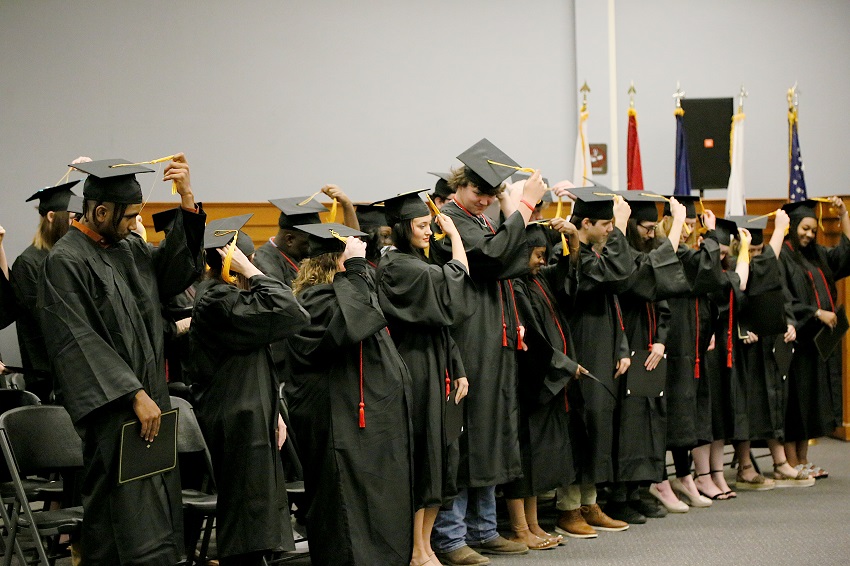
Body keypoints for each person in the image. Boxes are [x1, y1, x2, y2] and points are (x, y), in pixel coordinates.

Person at [39, 155, 206, 565]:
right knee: (121, 518)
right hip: (115, 411)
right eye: (130, 216)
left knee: (158, 514)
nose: (136, 225)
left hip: (152, 402)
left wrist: (187, 200)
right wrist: (132, 394)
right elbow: (77, 341)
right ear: (100, 211)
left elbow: (173, 273)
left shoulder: (128, 248)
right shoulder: (66, 261)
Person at [429, 139, 546, 564]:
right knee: (464, 435)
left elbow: (511, 262)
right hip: (466, 343)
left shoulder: (480, 221)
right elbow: (494, 259)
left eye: (489, 195)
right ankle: (452, 536)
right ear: (460, 186)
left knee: (490, 433)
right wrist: (525, 208)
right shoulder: (450, 223)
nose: (482, 200)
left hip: (491, 341)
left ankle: (484, 527)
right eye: (477, 192)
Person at [285, 223, 414, 565]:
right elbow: (354, 324)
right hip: (339, 428)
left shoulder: (345, 293)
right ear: (334, 263)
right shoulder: (314, 300)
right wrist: (356, 270)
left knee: (379, 509)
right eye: (352, 259)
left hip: (368, 428)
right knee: (348, 515)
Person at [188, 215, 310, 565]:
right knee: (247, 516)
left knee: (258, 514)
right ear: (232, 263)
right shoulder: (219, 301)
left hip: (252, 410)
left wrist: (274, 411)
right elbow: (293, 313)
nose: (254, 263)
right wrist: (255, 274)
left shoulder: (228, 297)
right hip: (235, 417)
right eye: (248, 259)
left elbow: (258, 358)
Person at [376, 190, 476, 566]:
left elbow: (441, 325)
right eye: (420, 225)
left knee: (442, 454)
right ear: (402, 228)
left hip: (436, 365)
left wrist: (458, 368)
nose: (427, 232)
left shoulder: (416, 263)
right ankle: (417, 548)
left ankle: (426, 545)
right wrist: (455, 239)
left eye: (428, 225)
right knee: (424, 454)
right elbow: (452, 293)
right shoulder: (399, 267)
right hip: (413, 368)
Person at [555, 188, 634, 538]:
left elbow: (614, 299)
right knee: (578, 427)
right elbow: (618, 275)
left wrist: (621, 345)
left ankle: (589, 501)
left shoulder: (593, 253)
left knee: (598, 427)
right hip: (580, 348)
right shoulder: (572, 254)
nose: (609, 230)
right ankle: (568, 507)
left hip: (603, 349)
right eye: (606, 224)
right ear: (585, 222)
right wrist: (625, 228)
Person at [606, 194, 689, 524]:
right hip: (627, 347)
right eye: (646, 226)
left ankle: (641, 489)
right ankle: (619, 496)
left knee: (649, 421)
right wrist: (677, 223)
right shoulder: (620, 257)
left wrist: (660, 341)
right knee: (628, 424)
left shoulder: (642, 254)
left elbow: (663, 298)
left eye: (656, 227)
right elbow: (641, 281)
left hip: (650, 350)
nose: (652, 232)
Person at [501, 219, 581, 551]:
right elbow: (532, 337)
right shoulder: (515, 287)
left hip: (541, 383)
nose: (542, 261)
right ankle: (520, 528)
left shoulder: (535, 281)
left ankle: (533, 525)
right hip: (525, 380)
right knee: (522, 458)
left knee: (535, 460)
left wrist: (573, 243)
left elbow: (567, 287)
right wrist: (565, 365)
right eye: (536, 254)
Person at [727, 211, 814, 488]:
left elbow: (782, 298)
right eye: (750, 249)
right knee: (747, 407)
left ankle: (780, 463)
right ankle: (744, 466)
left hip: (768, 348)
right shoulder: (732, 267)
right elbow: (732, 304)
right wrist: (743, 330)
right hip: (743, 350)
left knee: (773, 403)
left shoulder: (768, 265)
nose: (755, 255)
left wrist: (789, 323)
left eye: (759, 249)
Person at [650, 201, 724, 511]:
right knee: (666, 410)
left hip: (688, 341)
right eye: (686, 222)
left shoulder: (680, 250)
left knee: (684, 412)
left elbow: (709, 284)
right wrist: (712, 233)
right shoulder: (665, 250)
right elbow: (706, 267)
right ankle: (659, 479)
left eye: (695, 224)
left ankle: (683, 475)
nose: (691, 228)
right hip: (668, 340)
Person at [779, 197, 850, 479]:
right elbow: (782, 297)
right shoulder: (782, 256)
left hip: (817, 344)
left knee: (810, 403)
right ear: (793, 225)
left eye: (812, 229)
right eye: (804, 228)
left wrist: (843, 214)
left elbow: (846, 254)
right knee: (795, 402)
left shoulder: (815, 254)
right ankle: (790, 460)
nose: (809, 234)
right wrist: (815, 312)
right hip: (796, 340)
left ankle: (804, 459)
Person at [696, 218, 758, 497]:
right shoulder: (703, 271)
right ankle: (702, 475)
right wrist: (744, 247)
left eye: (725, 253)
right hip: (704, 347)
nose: (721, 257)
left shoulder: (721, 269)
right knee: (705, 414)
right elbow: (740, 282)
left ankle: (718, 473)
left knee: (720, 412)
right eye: (717, 252)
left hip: (722, 347)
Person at [9, 180, 80, 401]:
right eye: (71, 218)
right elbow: (49, 322)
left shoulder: (71, 258)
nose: (76, 224)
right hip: (48, 377)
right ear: (51, 217)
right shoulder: (28, 264)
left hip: (76, 371)